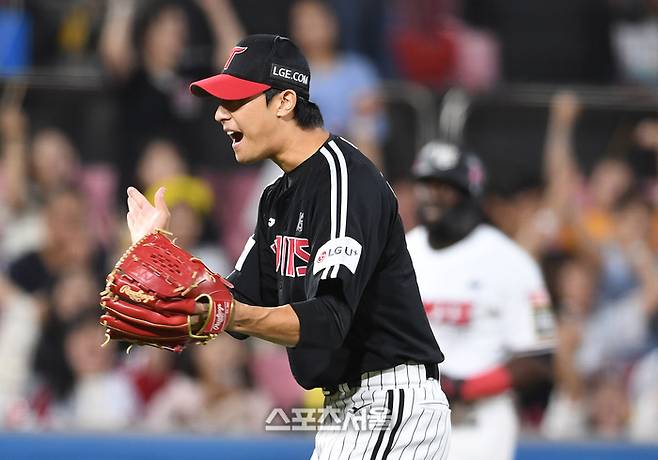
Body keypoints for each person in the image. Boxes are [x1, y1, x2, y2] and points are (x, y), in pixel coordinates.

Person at [124, 34, 450, 459]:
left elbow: (330, 317)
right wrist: (161, 256)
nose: (221, 114)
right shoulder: (277, 196)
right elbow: (235, 299)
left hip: (388, 399)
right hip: (348, 407)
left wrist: (224, 312)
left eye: (236, 101)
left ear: (284, 101)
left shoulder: (342, 178)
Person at [405, 141, 556, 460]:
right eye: (427, 185)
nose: (433, 195)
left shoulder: (510, 260)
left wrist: (464, 388)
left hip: (478, 416)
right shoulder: (402, 251)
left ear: (470, 194)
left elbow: (538, 359)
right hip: (411, 410)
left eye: (446, 187)